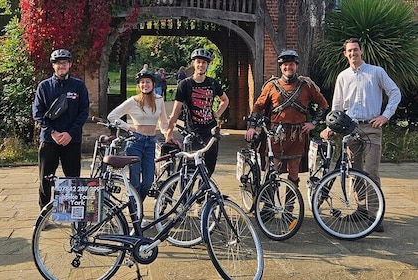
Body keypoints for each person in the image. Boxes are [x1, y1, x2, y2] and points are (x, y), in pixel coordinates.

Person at [320, 38, 401, 232]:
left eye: (355, 50)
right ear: (345, 54)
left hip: (372, 127)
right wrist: (331, 126)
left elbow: (395, 92)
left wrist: (385, 116)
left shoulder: (376, 72)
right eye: (349, 51)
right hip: (350, 129)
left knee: (371, 171)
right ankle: (361, 210)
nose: (352, 53)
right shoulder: (343, 76)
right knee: (354, 172)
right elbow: (337, 107)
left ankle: (375, 215)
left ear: (361, 51)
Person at [245, 50, 328, 191]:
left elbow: (323, 104)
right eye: (285, 65)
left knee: (294, 171)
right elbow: (258, 106)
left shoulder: (306, 85)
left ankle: (289, 208)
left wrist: (313, 123)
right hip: (276, 134)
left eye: (291, 64)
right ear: (280, 66)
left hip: (297, 134)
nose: (288, 67)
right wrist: (252, 127)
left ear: (296, 66)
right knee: (273, 169)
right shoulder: (271, 86)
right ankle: (267, 205)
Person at [32, 49, 90, 210]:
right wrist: (53, 132)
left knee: (73, 178)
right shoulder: (44, 87)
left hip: (72, 140)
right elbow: (38, 113)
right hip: (50, 140)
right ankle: (44, 212)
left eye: (65, 63)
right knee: (45, 179)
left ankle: (73, 213)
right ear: (53, 66)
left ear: (70, 65)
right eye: (58, 63)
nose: (61, 66)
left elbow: (84, 111)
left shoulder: (79, 86)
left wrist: (70, 133)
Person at [107, 72, 169, 205]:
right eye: (142, 82)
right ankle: (136, 214)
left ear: (153, 84)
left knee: (148, 181)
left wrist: (167, 135)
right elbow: (112, 116)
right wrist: (128, 127)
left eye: (148, 82)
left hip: (151, 142)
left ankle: (136, 206)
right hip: (136, 142)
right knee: (134, 180)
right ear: (138, 85)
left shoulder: (158, 100)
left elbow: (163, 121)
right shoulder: (133, 101)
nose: (145, 85)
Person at [166, 48, 229, 176]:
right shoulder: (185, 84)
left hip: (210, 132)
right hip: (192, 132)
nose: (201, 65)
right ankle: (188, 195)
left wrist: (217, 114)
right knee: (189, 169)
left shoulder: (212, 83)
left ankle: (202, 195)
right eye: (198, 62)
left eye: (204, 63)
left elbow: (225, 100)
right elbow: (175, 111)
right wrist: (169, 132)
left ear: (207, 65)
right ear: (193, 63)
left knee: (209, 168)